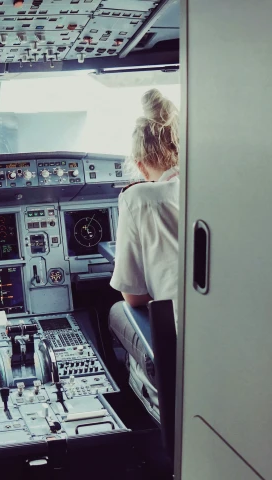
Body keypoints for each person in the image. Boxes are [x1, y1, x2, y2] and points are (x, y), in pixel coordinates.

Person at [107, 88, 179, 419]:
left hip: (183, 346)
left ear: (139, 163)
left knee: (116, 312)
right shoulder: (220, 184)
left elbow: (134, 297)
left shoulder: (139, 198)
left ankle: (137, 412)